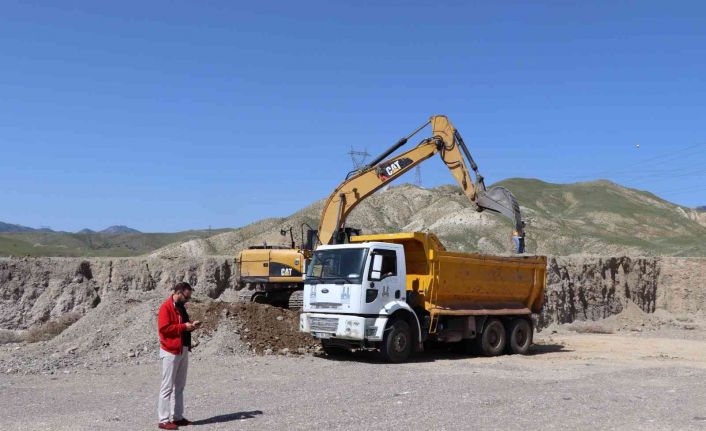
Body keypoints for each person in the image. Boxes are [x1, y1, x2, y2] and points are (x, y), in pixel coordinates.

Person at [157, 282, 201, 430]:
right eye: (186, 297)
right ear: (178, 293)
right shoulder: (166, 307)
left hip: (182, 349)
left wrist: (191, 325)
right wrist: (184, 327)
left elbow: (182, 325)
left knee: (180, 386)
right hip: (171, 350)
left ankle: (178, 417)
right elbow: (164, 328)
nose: (187, 300)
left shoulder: (181, 307)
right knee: (167, 386)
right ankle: (163, 420)